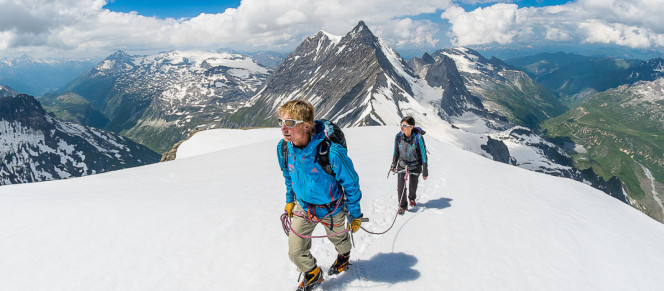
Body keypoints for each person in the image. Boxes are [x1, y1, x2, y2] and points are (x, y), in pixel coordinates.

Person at [277, 100, 363, 291]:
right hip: (304, 207)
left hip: (332, 208)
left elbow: (351, 184)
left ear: (307, 126)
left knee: (340, 241)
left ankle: (343, 256)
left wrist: (355, 214)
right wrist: (290, 200)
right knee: (295, 251)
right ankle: (313, 273)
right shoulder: (284, 148)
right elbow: (288, 176)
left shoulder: (331, 152)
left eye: (290, 123)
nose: (283, 128)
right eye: (281, 122)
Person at [390, 116, 428, 215]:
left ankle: (412, 198)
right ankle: (402, 206)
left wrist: (425, 170)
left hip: (415, 165)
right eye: (401, 125)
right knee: (401, 186)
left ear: (411, 127)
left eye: (405, 125)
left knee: (413, 185)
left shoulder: (418, 138)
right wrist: (393, 164)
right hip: (402, 164)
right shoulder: (398, 137)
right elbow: (396, 152)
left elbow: (423, 155)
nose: (402, 127)